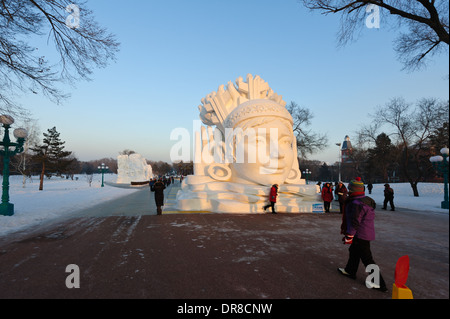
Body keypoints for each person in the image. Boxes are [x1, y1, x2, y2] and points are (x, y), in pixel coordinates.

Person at [338, 177, 387, 292]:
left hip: (360, 235)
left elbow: (354, 222)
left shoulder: (356, 203)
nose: (348, 191)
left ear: (354, 190)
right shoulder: (364, 200)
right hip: (364, 233)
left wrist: (349, 236)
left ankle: (379, 283)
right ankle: (350, 270)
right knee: (354, 252)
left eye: (350, 189)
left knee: (367, 258)